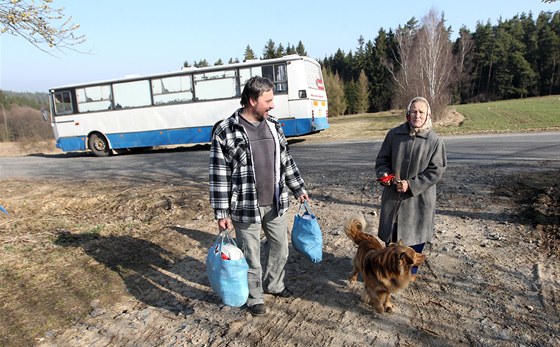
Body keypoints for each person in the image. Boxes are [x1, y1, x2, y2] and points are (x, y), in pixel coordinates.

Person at [209, 76, 309, 316]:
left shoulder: (274, 125)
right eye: (268, 100)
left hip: (275, 202)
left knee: (281, 249)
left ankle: (275, 285)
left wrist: (298, 187)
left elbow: (285, 159)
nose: (273, 105)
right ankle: (255, 298)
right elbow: (218, 175)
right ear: (252, 101)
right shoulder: (226, 131)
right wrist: (221, 212)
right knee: (251, 256)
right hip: (245, 208)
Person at [375, 96, 447, 279]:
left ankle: (410, 274)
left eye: (421, 112)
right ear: (407, 114)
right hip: (393, 197)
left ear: (428, 115)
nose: (417, 115)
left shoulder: (435, 141)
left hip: (419, 200)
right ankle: (389, 272)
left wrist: (412, 184)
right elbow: (382, 160)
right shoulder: (394, 135)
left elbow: (436, 170)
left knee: (415, 239)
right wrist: (384, 175)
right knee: (392, 236)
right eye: (414, 111)